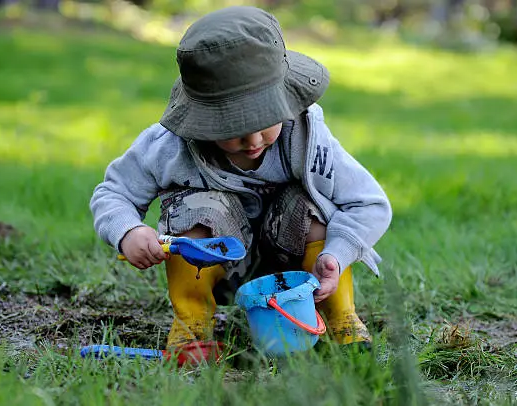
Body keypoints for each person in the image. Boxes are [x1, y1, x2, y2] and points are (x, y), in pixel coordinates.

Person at [90, 5, 392, 353]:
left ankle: (340, 317)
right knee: (195, 207)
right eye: (233, 130)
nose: (252, 141)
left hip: (296, 269)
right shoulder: (169, 147)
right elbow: (113, 192)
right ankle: (192, 325)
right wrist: (128, 231)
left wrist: (337, 255)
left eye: (265, 122)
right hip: (214, 266)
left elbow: (369, 202)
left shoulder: (307, 139)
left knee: (311, 204)